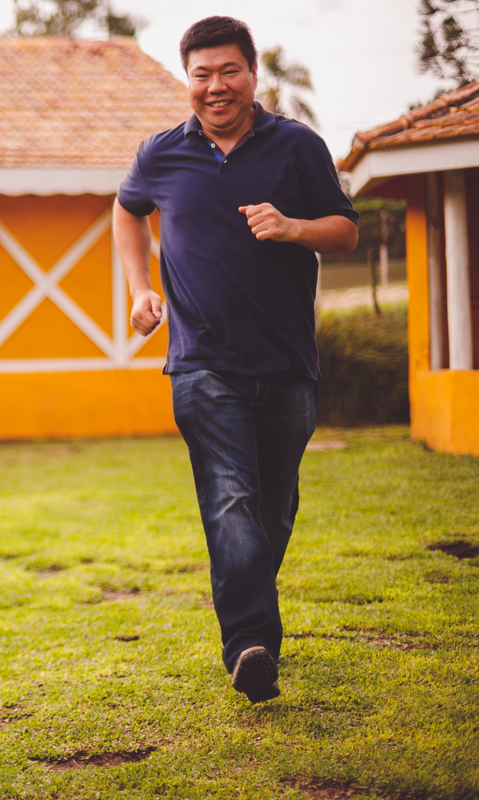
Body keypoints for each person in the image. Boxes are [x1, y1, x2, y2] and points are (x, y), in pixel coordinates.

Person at [112, 16, 358, 704]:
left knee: (271, 513)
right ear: (186, 78)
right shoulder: (160, 154)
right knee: (231, 501)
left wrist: (292, 227)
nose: (215, 86)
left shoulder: (298, 148)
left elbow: (344, 232)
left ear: (253, 74)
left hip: (286, 368)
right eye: (201, 73)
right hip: (200, 365)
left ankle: (255, 636)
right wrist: (140, 289)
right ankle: (248, 646)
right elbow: (127, 211)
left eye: (228, 72)